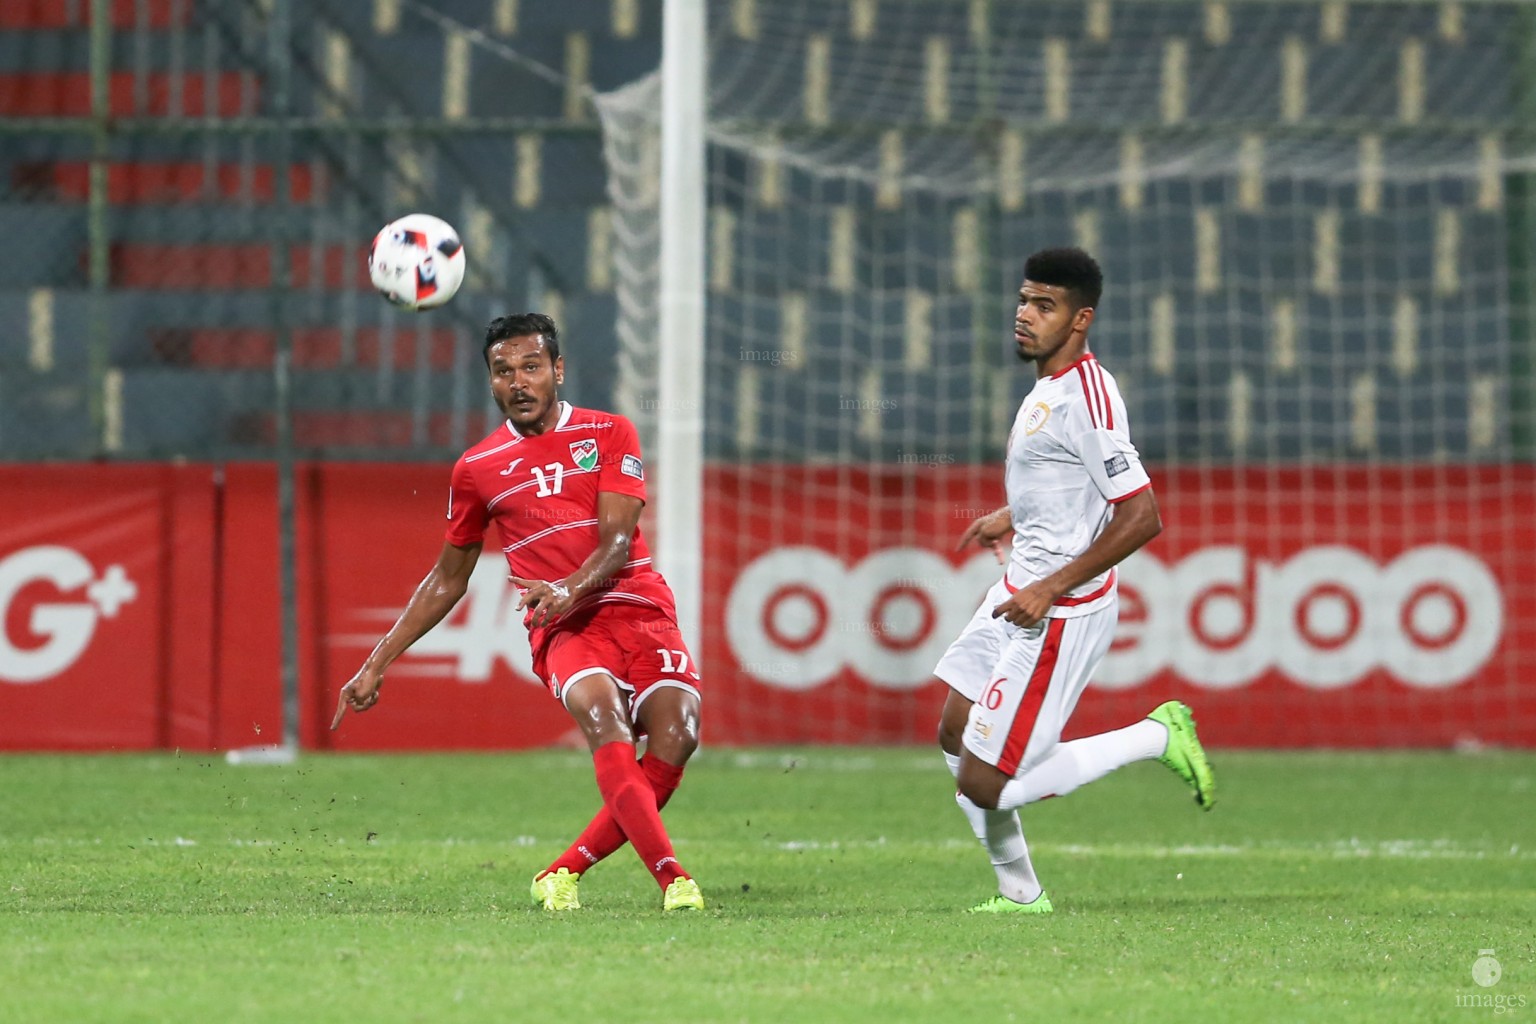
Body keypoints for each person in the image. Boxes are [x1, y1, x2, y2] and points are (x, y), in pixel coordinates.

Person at [333, 312, 705, 914]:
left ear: (557, 370)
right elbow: (447, 577)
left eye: (531, 367)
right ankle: (673, 879)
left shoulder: (610, 432)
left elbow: (616, 543)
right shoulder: (477, 468)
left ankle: (561, 871)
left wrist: (568, 585)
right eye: (503, 371)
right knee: (604, 719)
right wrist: (378, 661)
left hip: (636, 603)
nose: (518, 382)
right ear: (491, 383)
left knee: (677, 736)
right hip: (563, 627)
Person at [933, 248, 1215, 914]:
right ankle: (1020, 892)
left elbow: (1141, 515)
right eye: (1024, 300)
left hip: (1059, 609)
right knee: (954, 729)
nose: (1025, 316)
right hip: (1021, 588)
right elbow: (1068, 480)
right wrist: (1014, 516)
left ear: (1081, 318)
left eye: (1045, 305)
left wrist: (1052, 584)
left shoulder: (1088, 396)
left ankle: (1156, 736)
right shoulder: (1048, 388)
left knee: (985, 783)